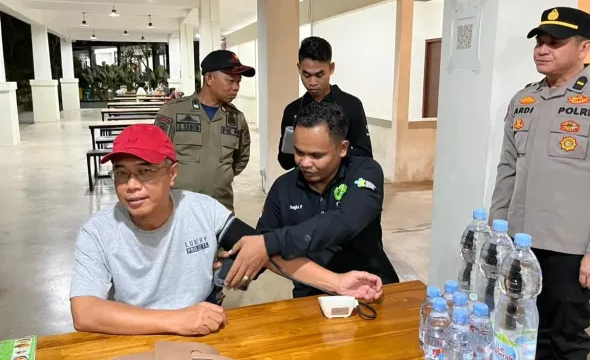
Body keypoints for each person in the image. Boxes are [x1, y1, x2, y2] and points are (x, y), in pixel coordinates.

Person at [69, 124, 383, 336]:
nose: (131, 185)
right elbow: (85, 313)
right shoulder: (98, 232)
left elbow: (266, 252)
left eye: (145, 171)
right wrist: (176, 320)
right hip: (133, 332)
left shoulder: (203, 211)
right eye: (121, 173)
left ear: (172, 173)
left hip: (203, 330)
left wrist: (337, 282)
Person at [489, 7, 590, 360]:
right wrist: (497, 231)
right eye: (540, 41)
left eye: (555, 43)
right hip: (521, 244)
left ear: (583, 48)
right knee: (521, 333)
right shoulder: (524, 99)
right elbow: (507, 170)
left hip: (571, 248)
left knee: (566, 340)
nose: (542, 49)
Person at [221, 101, 399, 298]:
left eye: (316, 155)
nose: (304, 163)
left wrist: (270, 242)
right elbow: (264, 249)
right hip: (312, 294)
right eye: (299, 152)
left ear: (342, 148)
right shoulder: (283, 188)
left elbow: (345, 221)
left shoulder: (365, 172)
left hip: (371, 289)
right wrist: (237, 262)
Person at [153, 50, 252, 213]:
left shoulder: (236, 118)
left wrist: (220, 176)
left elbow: (241, 159)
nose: (236, 87)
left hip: (220, 208)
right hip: (179, 208)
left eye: (238, 82)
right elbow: (155, 155)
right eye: (230, 81)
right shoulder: (173, 111)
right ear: (209, 78)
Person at [277, 36, 373, 171]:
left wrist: (330, 151)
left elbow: (365, 156)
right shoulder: (292, 110)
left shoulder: (351, 106)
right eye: (306, 75)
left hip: (342, 181)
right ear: (299, 68)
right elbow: (284, 162)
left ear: (331, 68)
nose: (312, 82)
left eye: (319, 75)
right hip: (304, 181)